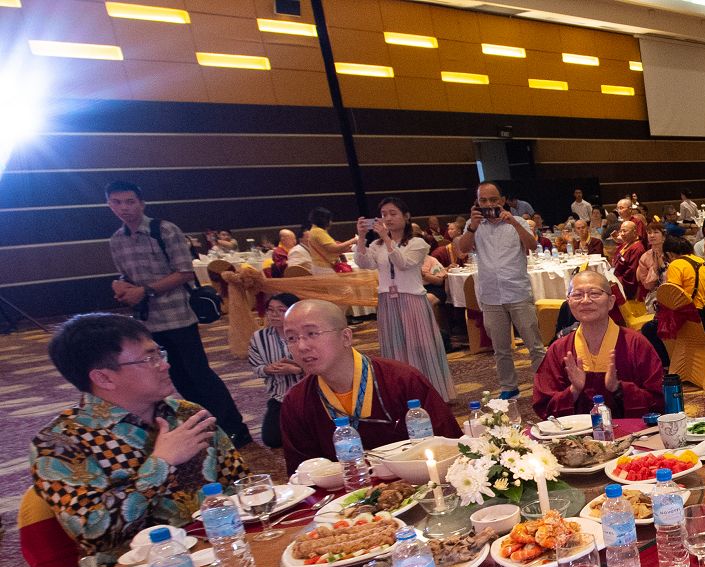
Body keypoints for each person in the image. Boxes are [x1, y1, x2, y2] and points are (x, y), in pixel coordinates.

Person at [30, 313, 247, 566]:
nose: (164, 365)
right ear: (104, 378)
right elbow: (96, 533)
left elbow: (240, 484)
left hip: (227, 552)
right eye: (149, 359)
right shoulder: (60, 443)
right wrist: (161, 464)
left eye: (159, 354)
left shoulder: (187, 414)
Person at [104, 180, 252, 448]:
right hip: (148, 323)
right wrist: (121, 285)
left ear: (141, 203)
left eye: (129, 202)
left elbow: (185, 272)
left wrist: (145, 291)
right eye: (117, 202)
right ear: (109, 205)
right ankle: (207, 427)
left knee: (200, 375)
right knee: (179, 379)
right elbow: (126, 275)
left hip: (179, 316)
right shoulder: (116, 240)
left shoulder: (164, 230)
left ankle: (234, 428)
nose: (124, 208)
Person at [279, 300, 461, 472]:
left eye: (312, 334)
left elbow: (451, 447)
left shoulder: (401, 380)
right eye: (291, 338)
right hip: (348, 491)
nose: (301, 346)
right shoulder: (296, 402)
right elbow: (302, 474)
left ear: (345, 337)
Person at [354, 197, 455, 402]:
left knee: (420, 347)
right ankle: (403, 395)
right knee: (395, 347)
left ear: (406, 216)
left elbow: (403, 263)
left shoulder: (418, 243)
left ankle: (430, 394)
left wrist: (387, 239)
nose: (387, 218)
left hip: (412, 300)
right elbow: (364, 263)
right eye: (384, 215)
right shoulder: (377, 244)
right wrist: (361, 237)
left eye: (393, 214)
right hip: (387, 301)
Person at [454, 182, 548, 400]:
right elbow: (463, 250)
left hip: (517, 291)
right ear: (477, 202)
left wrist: (513, 222)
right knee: (500, 348)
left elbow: (532, 246)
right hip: (491, 295)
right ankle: (509, 386)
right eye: (483, 200)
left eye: (493, 200)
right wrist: (472, 227)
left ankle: (544, 383)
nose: (488, 204)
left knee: (534, 344)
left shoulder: (518, 222)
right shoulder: (473, 225)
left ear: (502, 200)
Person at [533, 270, 664, 419]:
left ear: (611, 302)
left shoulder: (635, 344)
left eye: (594, 293)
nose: (585, 301)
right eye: (577, 295)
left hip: (632, 430)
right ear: (569, 302)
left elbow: (659, 401)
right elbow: (544, 406)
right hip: (577, 433)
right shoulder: (559, 349)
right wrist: (573, 391)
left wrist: (619, 389)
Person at [642, 235, 705, 367]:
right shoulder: (704, 262)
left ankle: (668, 365)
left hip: (695, 320)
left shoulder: (676, 264)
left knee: (649, 328)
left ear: (669, 254)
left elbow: (672, 296)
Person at [247, 292, 303, 448]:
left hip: (310, 393)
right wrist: (268, 369)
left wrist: (297, 370)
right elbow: (256, 367)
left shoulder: (305, 333)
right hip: (280, 396)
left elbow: (323, 367)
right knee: (271, 438)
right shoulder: (259, 337)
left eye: (281, 310)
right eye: (270, 310)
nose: (274, 315)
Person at [611, 219, 645, 301]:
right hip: (616, 275)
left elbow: (631, 273)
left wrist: (616, 281)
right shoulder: (627, 243)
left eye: (625, 231)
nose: (622, 234)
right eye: (621, 231)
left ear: (634, 232)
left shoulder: (637, 249)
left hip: (626, 285)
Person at [636, 222, 669, 305]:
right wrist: (654, 269)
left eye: (656, 232)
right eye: (649, 233)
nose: (652, 235)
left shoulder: (671, 253)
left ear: (664, 236)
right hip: (654, 297)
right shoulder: (645, 257)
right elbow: (646, 285)